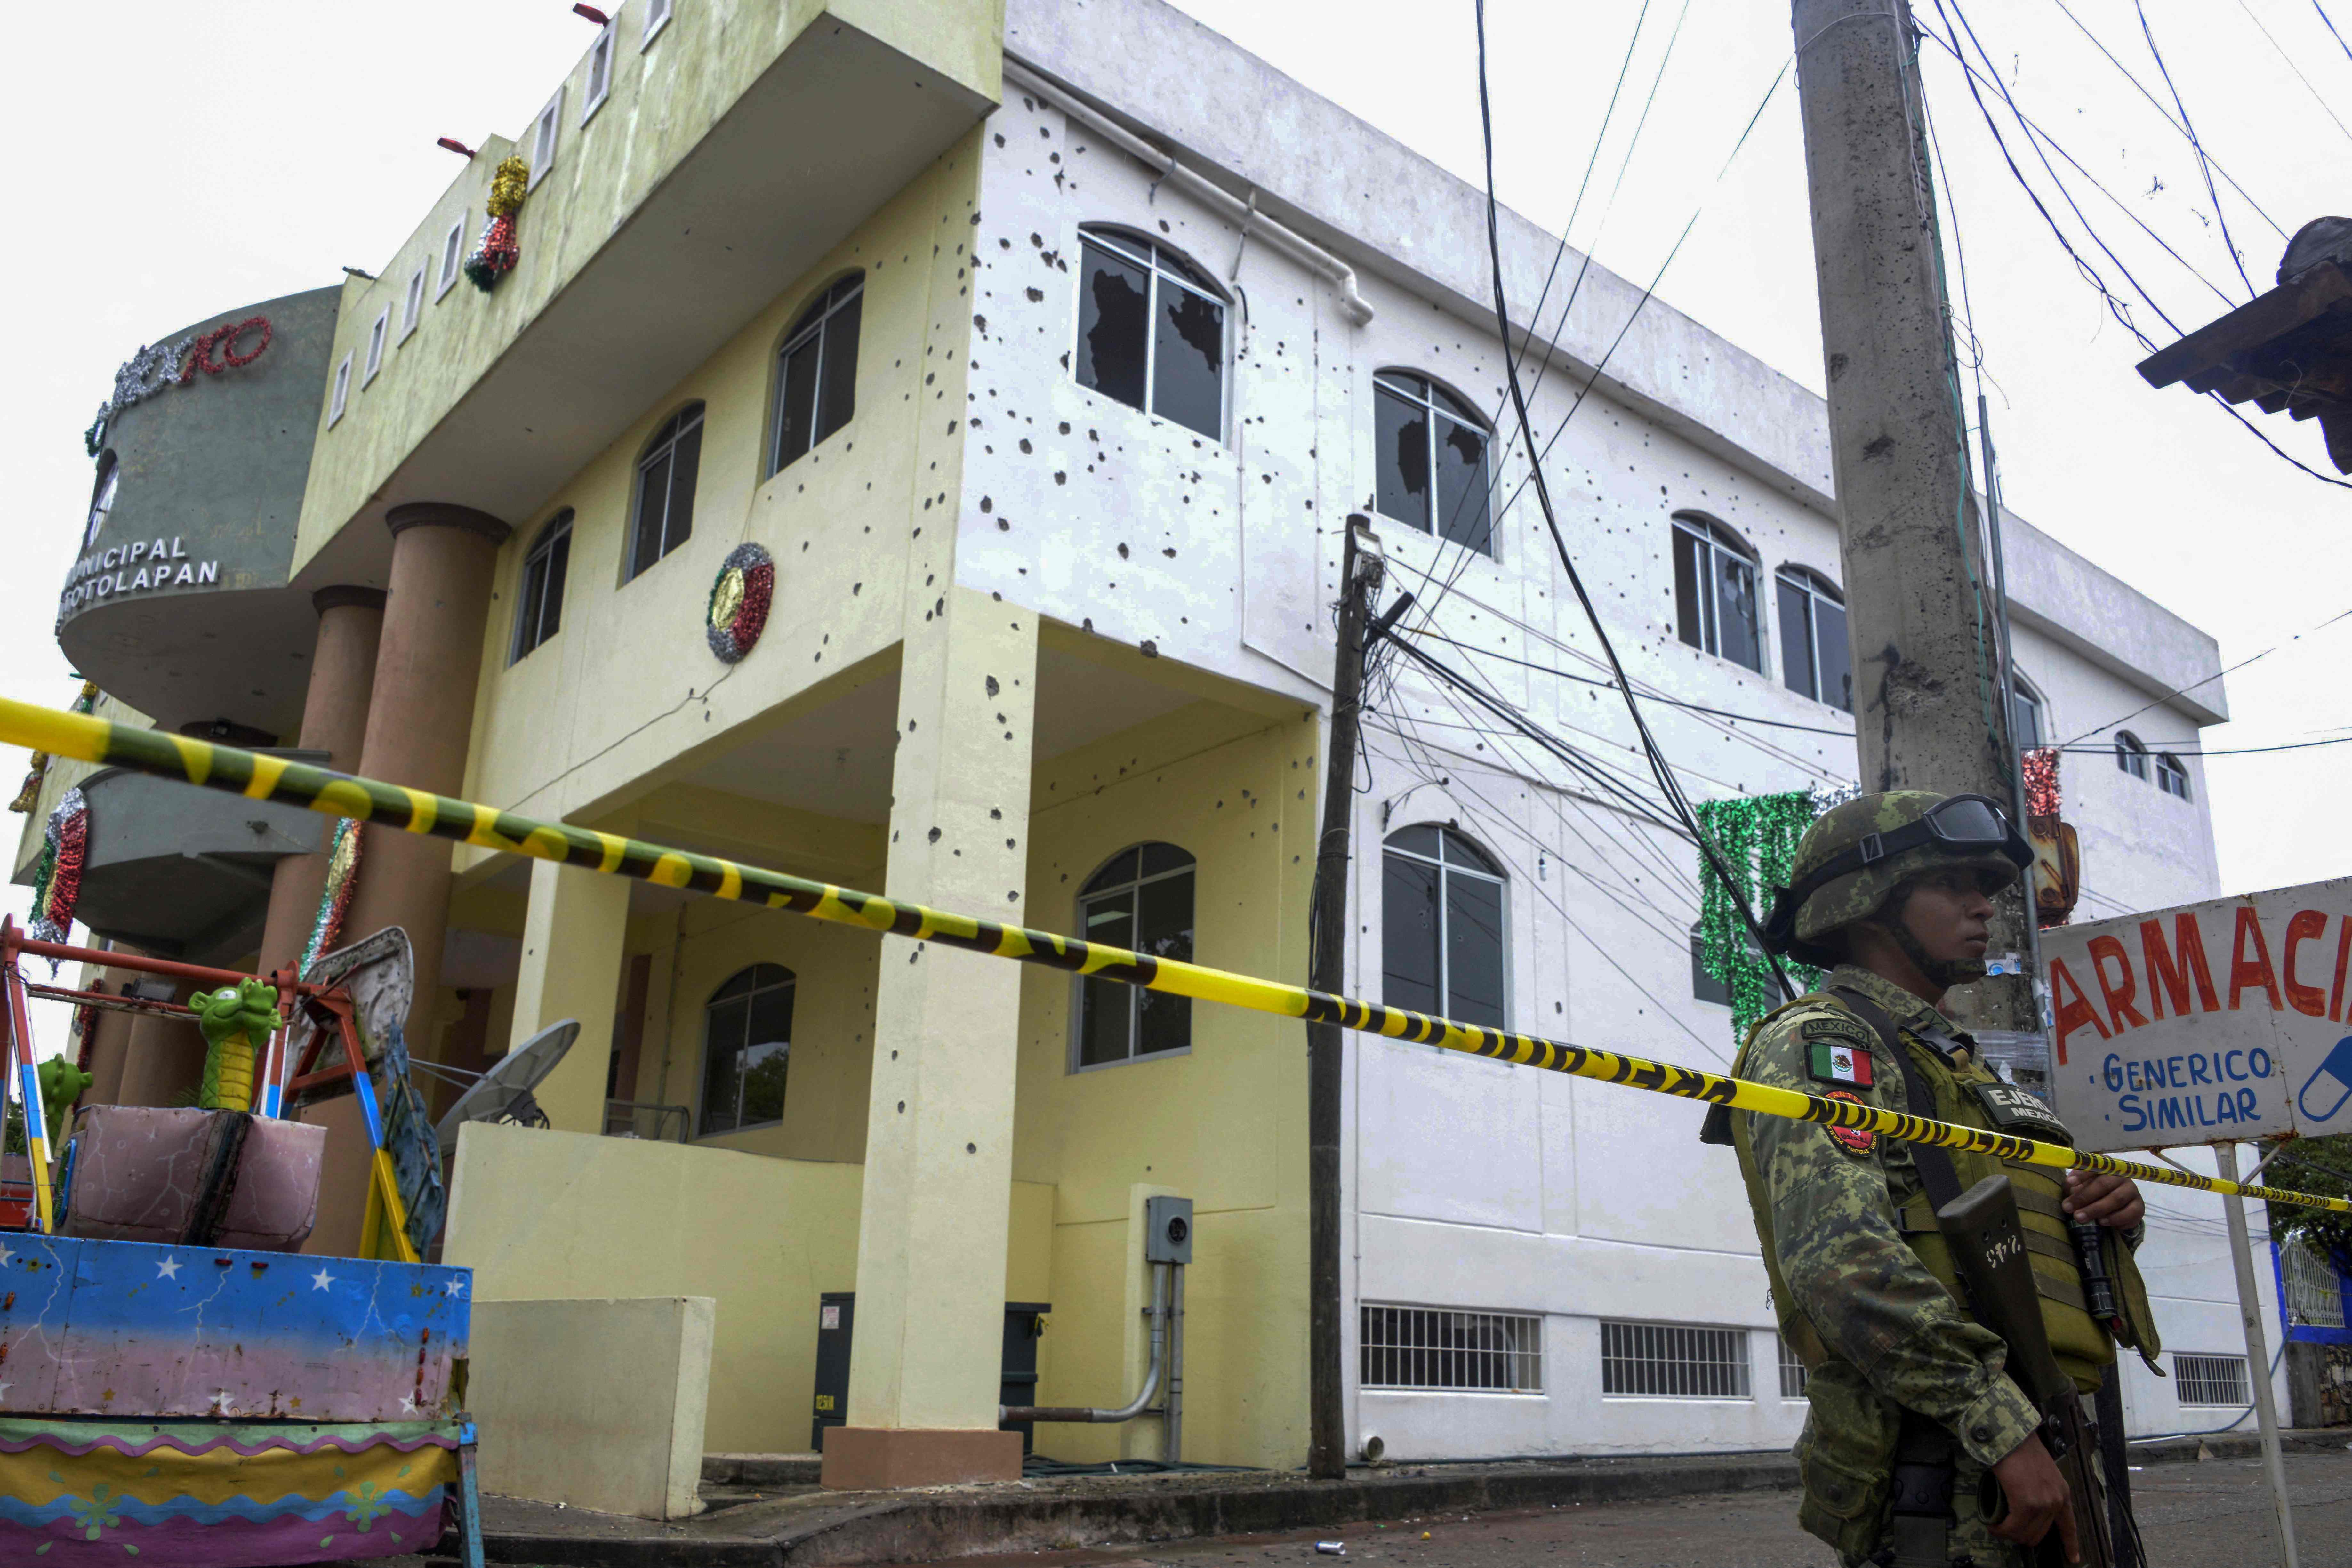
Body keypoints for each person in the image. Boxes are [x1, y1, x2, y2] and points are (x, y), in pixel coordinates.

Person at [1722, 791, 2161, 1567]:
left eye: (1985, 889)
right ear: (1869, 904)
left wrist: (2108, 1214)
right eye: (1951, 885)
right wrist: (1998, 1424)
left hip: (2043, 1440)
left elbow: (2012, 1231)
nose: (1982, 908)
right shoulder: (1826, 1041)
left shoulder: (1960, 1063)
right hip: (1950, 1465)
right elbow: (1844, 1261)